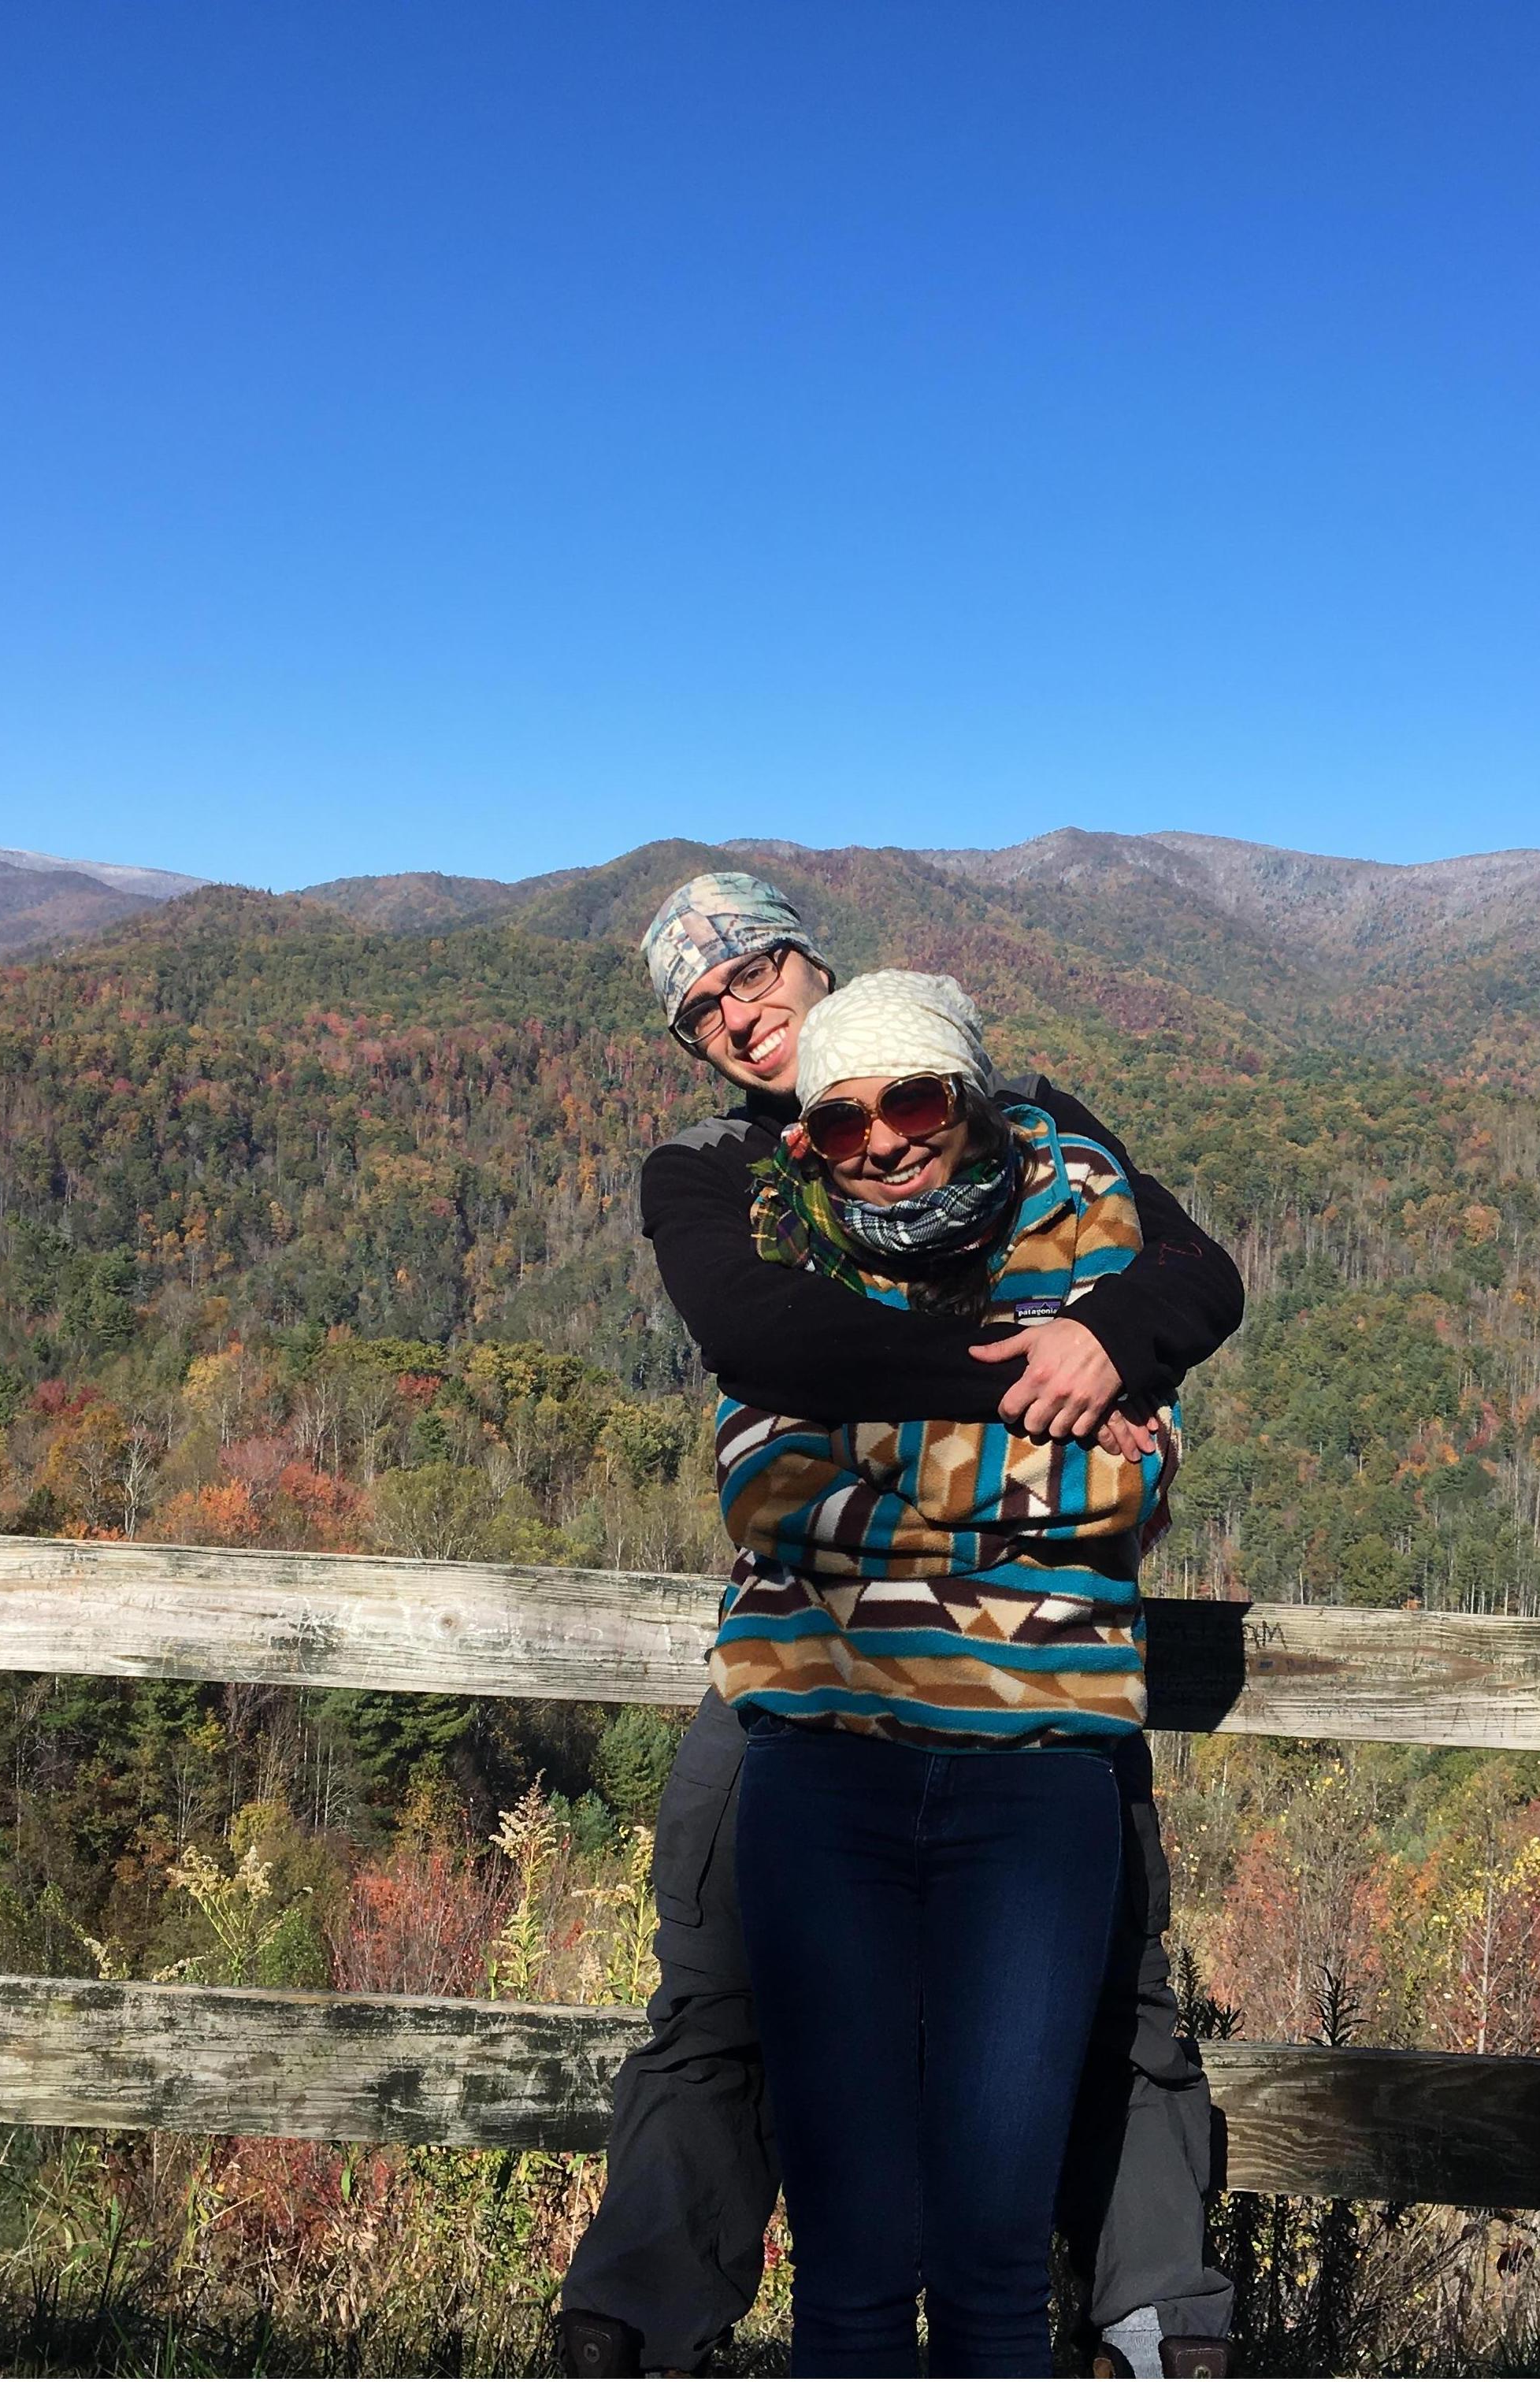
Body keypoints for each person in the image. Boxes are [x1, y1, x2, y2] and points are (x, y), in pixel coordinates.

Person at [558, 873, 1240, 2379]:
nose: (738, 1016)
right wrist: (1045, 1379)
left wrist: (1112, 1336)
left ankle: (1157, 2321)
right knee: (718, 1982)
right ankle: (638, 2323)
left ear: (812, 957)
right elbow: (764, 1355)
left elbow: (1196, 1276)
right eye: (701, 1010)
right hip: (805, 1674)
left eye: (752, 971)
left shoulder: (1032, 1123)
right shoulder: (718, 1171)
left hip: (1037, 1683)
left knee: (1116, 1987)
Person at [720, 967, 1174, 2373]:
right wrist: (1017, 1461)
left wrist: (871, 1448)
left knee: (994, 2264)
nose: (881, 1143)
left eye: (912, 1102)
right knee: (849, 2264)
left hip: (1036, 1786)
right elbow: (761, 1489)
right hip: (822, 1775)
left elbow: (1132, 1487)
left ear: (968, 1098)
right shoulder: (782, 1254)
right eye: (840, 1121)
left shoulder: (1092, 1233)